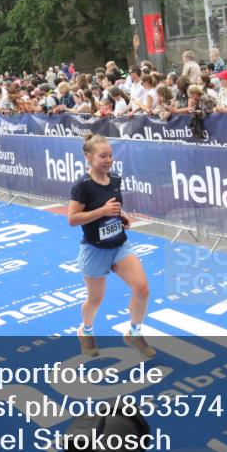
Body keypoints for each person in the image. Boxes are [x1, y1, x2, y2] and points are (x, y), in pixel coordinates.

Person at [67, 134, 154, 359]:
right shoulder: (82, 185)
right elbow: (73, 219)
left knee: (142, 288)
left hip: (119, 246)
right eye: (103, 156)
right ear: (88, 157)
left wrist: (122, 218)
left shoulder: (115, 179)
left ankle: (134, 333)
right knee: (95, 298)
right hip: (94, 250)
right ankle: (85, 331)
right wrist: (102, 212)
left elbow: (114, 209)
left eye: (110, 155)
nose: (108, 160)